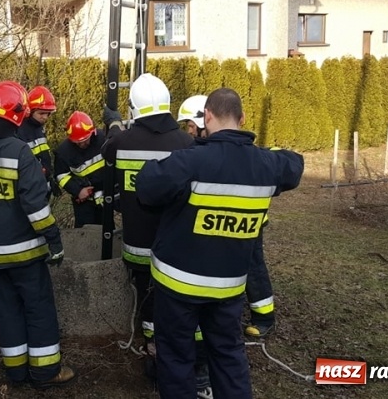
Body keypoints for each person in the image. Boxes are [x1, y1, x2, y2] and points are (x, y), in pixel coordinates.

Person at [136, 87, 304, 399]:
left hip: (178, 285)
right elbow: (295, 163)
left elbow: (146, 186)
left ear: (207, 116)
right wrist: (255, 152)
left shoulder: (189, 161)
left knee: (175, 358)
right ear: (241, 119)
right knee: (228, 355)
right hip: (228, 288)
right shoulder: (267, 166)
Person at [0, 80, 76, 389]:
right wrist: (54, 241)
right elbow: (36, 209)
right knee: (38, 309)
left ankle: (16, 373)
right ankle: (47, 373)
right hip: (25, 254)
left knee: (7, 312)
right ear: (16, 114)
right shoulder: (19, 151)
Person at [101, 74, 213, 397]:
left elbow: (110, 149)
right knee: (181, 308)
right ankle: (195, 367)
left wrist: (115, 125)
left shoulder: (121, 142)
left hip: (137, 250)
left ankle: (154, 359)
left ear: (134, 107)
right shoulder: (186, 144)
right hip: (177, 252)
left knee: (149, 308)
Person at [178, 95, 277, 338]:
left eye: (192, 126)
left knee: (252, 264)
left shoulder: (227, 151)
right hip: (224, 218)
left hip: (245, 220)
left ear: (206, 122)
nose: (189, 132)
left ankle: (264, 317)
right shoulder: (207, 151)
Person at [54, 111, 106, 228]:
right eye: (78, 142)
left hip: (105, 197)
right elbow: (61, 176)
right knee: (84, 233)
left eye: (86, 140)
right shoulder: (64, 152)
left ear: (93, 132)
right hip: (84, 202)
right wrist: (78, 190)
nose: (83, 144)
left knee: (107, 233)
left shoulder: (103, 140)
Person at [18, 86, 61, 200]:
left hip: (42, 186)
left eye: (48, 113)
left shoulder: (39, 128)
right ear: (30, 110)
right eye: (41, 113)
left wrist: (49, 178)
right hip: (30, 189)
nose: (45, 117)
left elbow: (43, 156)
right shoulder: (19, 129)